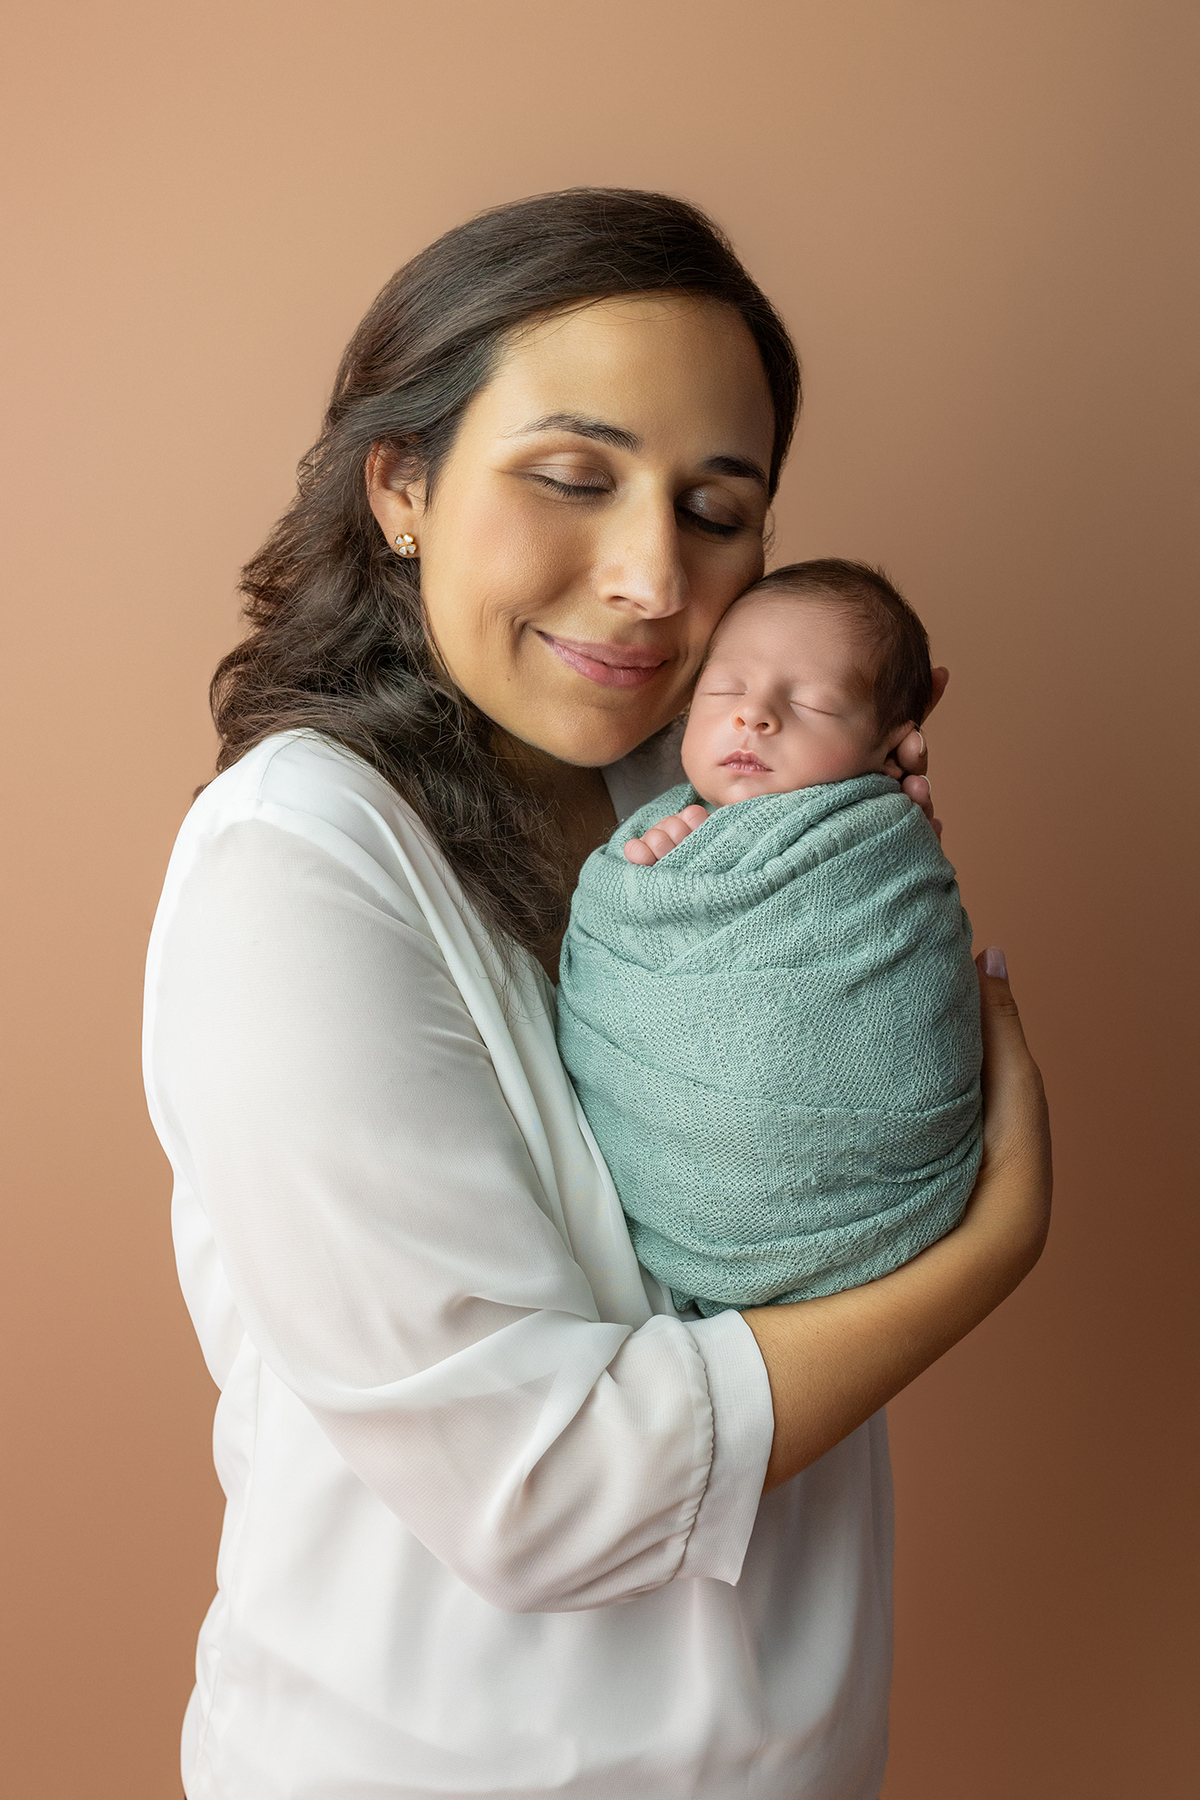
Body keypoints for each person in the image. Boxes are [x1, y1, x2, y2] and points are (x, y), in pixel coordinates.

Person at [142, 189, 1051, 1800]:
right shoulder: (294, 869)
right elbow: (541, 1490)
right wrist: (992, 1247)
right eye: (573, 477)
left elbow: (800, 1178)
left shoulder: (703, 789)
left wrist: (855, 844)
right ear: (403, 485)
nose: (649, 575)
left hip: (795, 1748)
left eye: (718, 508)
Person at [557, 558, 983, 1318]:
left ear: (893, 744)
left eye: (813, 703)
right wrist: (661, 898)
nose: (754, 716)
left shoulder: (878, 846)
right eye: (725, 691)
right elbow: (623, 949)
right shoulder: (664, 829)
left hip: (853, 1203)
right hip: (676, 1203)